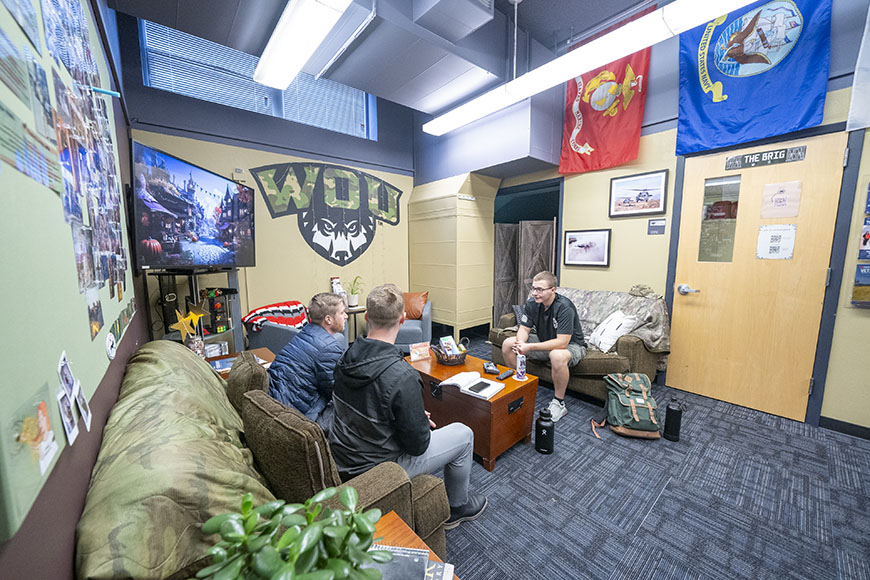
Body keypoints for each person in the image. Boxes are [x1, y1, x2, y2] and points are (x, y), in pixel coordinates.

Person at [329, 283, 487, 529]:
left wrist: (407, 414)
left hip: (343, 456)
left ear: (367, 317)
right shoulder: (402, 375)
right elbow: (417, 446)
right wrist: (418, 421)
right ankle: (457, 508)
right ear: (403, 319)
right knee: (464, 435)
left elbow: (363, 403)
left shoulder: (345, 356)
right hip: (379, 467)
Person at [501, 271, 586, 422]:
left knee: (556, 355)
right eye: (533, 288)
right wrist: (520, 344)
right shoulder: (532, 304)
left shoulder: (565, 307)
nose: (534, 293)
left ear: (553, 290)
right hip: (545, 340)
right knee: (509, 344)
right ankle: (520, 387)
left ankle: (559, 403)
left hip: (571, 345)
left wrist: (529, 347)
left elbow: (562, 343)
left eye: (540, 289)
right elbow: (524, 329)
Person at [268, 292, 348, 432]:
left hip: (278, 404)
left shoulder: (305, 333)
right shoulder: (328, 348)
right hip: (299, 417)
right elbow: (339, 393)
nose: (346, 316)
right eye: (342, 313)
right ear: (328, 319)